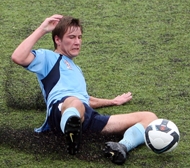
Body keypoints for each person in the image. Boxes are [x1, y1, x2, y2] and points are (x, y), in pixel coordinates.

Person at [11, 14, 158, 165]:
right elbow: (18, 57)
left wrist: (113, 101)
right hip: (60, 111)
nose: (77, 42)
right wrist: (43, 29)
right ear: (58, 40)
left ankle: (122, 146)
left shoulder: (77, 69)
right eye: (72, 37)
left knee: (149, 118)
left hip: (86, 116)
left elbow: (86, 99)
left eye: (79, 37)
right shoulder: (48, 58)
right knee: (74, 103)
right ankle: (69, 134)